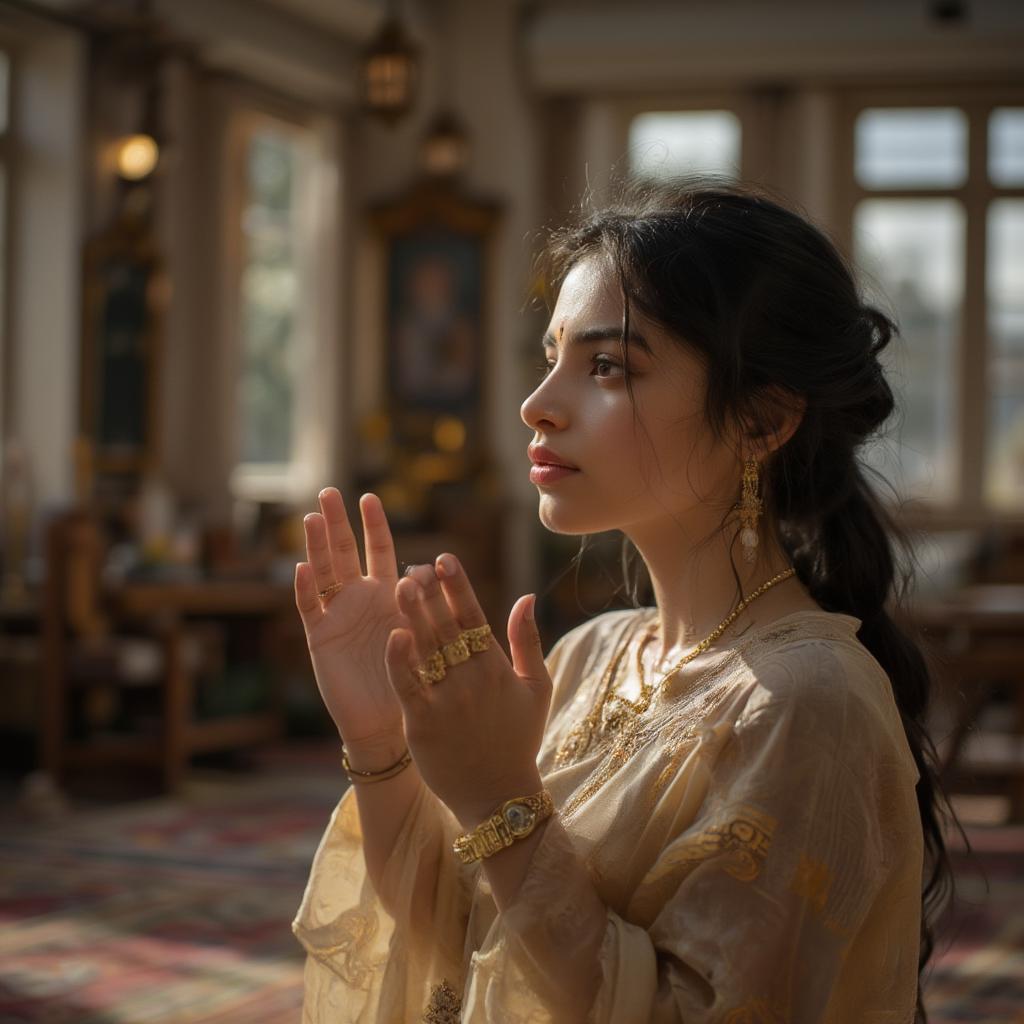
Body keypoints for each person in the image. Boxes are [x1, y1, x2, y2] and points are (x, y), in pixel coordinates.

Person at [290, 178, 962, 1023]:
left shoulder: (808, 703)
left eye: (607, 366)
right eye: (552, 359)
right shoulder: (590, 654)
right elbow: (455, 938)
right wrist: (380, 739)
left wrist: (504, 800)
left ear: (762, 420)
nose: (537, 407)